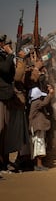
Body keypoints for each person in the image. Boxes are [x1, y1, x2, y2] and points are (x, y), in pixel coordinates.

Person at [28, 85, 54, 171]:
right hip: (37, 128)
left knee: (38, 145)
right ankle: (39, 165)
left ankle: (38, 164)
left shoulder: (33, 103)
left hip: (36, 127)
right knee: (39, 145)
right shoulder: (37, 102)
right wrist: (50, 94)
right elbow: (45, 103)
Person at [0, 34, 16, 173]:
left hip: (5, 96)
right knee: (0, 130)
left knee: (5, 131)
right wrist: (11, 55)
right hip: (0, 97)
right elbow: (4, 69)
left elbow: (11, 74)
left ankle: (4, 162)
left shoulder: (4, 57)